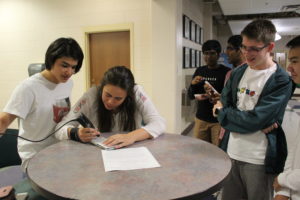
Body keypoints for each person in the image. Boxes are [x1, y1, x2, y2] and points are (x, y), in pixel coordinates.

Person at [213, 19, 293, 200]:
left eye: (254, 49)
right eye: (244, 47)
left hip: (259, 159)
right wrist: (242, 118)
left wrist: (222, 113)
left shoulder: (281, 80)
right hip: (231, 151)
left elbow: (255, 119)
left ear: (270, 46)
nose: (247, 54)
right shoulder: (238, 73)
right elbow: (225, 101)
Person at [0, 37, 84, 171]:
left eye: (73, 67)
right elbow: (5, 119)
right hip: (34, 156)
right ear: (51, 61)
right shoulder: (28, 88)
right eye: (64, 65)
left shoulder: (68, 83)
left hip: (59, 150)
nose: (69, 72)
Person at [55, 66, 166, 148]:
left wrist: (131, 136)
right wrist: (75, 133)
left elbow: (159, 123)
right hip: (98, 154)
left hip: (132, 151)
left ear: (128, 96)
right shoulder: (91, 95)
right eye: (107, 95)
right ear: (102, 87)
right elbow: (60, 128)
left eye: (118, 98)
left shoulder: (136, 92)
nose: (110, 102)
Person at [187, 40, 230, 146]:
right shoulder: (200, 71)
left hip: (218, 120)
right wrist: (193, 84)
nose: (208, 57)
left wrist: (220, 97)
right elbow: (191, 95)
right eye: (206, 53)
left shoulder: (226, 72)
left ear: (219, 54)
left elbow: (231, 97)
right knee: (200, 150)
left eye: (212, 53)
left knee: (218, 152)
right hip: (201, 119)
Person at [273, 35, 300, 200]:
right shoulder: (293, 103)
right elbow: (293, 150)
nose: (289, 68)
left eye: (295, 61)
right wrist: (282, 191)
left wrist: (284, 180)